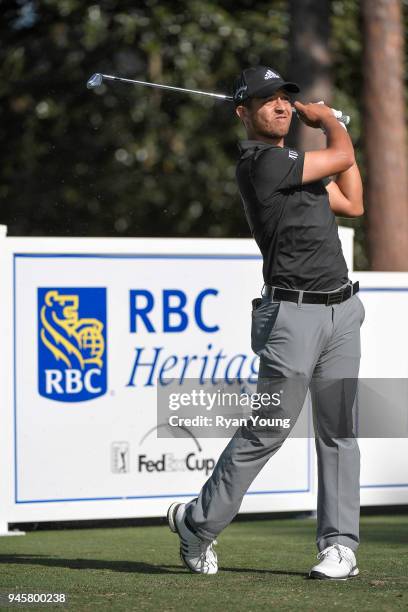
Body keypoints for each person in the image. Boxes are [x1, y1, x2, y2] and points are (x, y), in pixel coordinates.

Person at [167, 66, 365, 579]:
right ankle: (198, 523)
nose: (279, 107)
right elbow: (341, 155)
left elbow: (354, 201)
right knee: (269, 430)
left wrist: (332, 132)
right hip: (291, 317)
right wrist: (329, 124)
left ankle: (339, 546)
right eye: (265, 100)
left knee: (339, 431)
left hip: (341, 312)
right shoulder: (261, 164)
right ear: (243, 112)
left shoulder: (300, 166)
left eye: (284, 99)